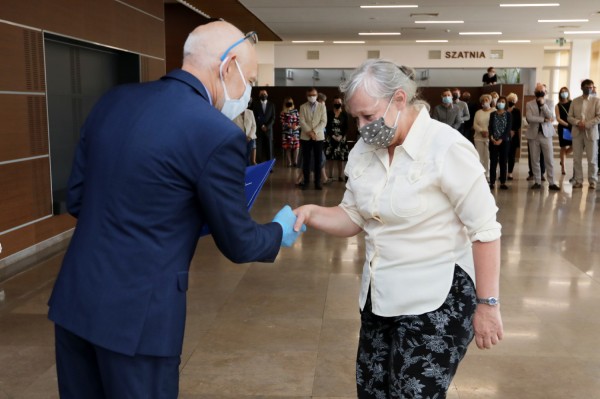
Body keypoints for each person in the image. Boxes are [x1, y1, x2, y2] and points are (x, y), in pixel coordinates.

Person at [47, 22, 304, 399]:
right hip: (138, 320)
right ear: (227, 66)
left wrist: (181, 213)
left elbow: (81, 198)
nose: (246, 93)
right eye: (249, 79)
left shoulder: (113, 100)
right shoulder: (218, 133)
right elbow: (240, 244)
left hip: (75, 301)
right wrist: (280, 231)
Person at [294, 59, 503, 398]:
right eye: (356, 118)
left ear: (400, 99)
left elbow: (485, 231)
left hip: (436, 297)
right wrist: (312, 212)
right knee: (373, 391)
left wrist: (488, 305)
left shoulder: (446, 148)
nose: (361, 128)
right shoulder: (365, 149)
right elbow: (354, 215)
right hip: (380, 298)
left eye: (369, 117)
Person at [525, 83, 560, 190]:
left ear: (545, 92)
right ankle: (537, 181)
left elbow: (551, 116)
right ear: (534, 92)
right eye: (538, 90)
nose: (540, 92)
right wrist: (544, 120)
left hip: (546, 135)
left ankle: (552, 182)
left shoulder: (550, 102)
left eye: (542, 91)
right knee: (535, 160)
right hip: (533, 135)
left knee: (549, 159)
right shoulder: (529, 104)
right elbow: (530, 118)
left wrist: (543, 105)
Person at [567, 79, 600, 189]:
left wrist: (586, 124)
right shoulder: (575, 101)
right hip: (577, 132)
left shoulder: (596, 101)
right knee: (577, 158)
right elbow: (569, 117)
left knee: (592, 158)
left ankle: (593, 180)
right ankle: (578, 180)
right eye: (586, 87)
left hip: (591, 132)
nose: (589, 89)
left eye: (590, 87)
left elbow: (599, 117)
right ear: (582, 88)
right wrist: (577, 122)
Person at [299, 87, 327, 189]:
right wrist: (309, 132)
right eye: (310, 95)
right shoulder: (302, 107)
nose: (312, 97)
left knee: (318, 160)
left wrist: (314, 132)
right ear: (307, 96)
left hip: (318, 137)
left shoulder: (322, 107)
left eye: (314, 95)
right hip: (306, 137)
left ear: (317, 95)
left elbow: (323, 122)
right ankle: (306, 181)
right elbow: (301, 121)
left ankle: (317, 182)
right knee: (306, 160)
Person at [488, 96, 512, 190]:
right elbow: (490, 127)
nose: (500, 103)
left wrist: (501, 139)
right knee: (493, 162)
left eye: (503, 102)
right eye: (499, 101)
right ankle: (492, 182)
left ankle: (502, 182)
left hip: (504, 141)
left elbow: (508, 128)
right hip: (493, 141)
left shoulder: (508, 114)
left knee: (503, 161)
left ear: (505, 104)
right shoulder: (492, 114)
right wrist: (491, 137)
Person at [325, 95, 350, 181]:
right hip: (331, 138)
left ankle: (340, 176)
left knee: (341, 158)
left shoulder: (344, 114)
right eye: (335, 103)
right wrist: (332, 135)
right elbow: (327, 126)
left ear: (341, 103)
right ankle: (330, 175)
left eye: (339, 103)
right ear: (333, 103)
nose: (337, 104)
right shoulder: (329, 113)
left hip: (341, 139)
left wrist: (341, 136)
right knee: (330, 158)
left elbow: (346, 127)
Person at [473, 94, 495, 179]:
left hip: (490, 137)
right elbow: (475, 124)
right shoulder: (478, 112)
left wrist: (488, 132)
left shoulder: (494, 111)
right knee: (479, 156)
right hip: (478, 137)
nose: (485, 102)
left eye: (486, 100)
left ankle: (487, 174)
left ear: (490, 101)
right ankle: (480, 174)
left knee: (488, 156)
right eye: (483, 100)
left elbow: (495, 124)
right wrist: (481, 131)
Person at [252, 88, 276, 162]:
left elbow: (273, 117)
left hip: (268, 131)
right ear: (259, 95)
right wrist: (262, 126)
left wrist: (267, 126)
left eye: (265, 94)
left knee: (269, 149)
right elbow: (254, 117)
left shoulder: (271, 105)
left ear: (267, 95)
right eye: (262, 94)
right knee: (259, 149)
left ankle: (269, 167)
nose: (263, 95)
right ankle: (259, 165)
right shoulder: (255, 105)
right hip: (259, 130)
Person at [555, 87, 573, 176]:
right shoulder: (557, 105)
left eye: (565, 92)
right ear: (560, 94)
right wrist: (566, 124)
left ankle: (563, 158)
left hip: (573, 127)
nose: (564, 93)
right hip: (563, 128)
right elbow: (558, 118)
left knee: (574, 145)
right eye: (562, 92)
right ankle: (563, 167)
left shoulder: (572, 103)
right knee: (563, 146)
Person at [280, 97, 300, 167]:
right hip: (287, 133)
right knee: (287, 147)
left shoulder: (296, 111)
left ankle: (295, 161)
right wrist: (290, 126)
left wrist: (297, 127)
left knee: (296, 147)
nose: (289, 103)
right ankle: (289, 162)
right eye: (288, 102)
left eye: (290, 102)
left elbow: (299, 121)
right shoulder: (283, 112)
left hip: (295, 132)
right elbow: (282, 122)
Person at [506, 93, 522, 180]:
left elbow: (518, 123)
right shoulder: (504, 110)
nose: (511, 101)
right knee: (504, 155)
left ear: (515, 101)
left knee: (512, 155)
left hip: (514, 135)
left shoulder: (517, 111)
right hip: (504, 135)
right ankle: (503, 172)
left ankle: (510, 173)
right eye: (510, 100)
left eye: (513, 100)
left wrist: (513, 131)